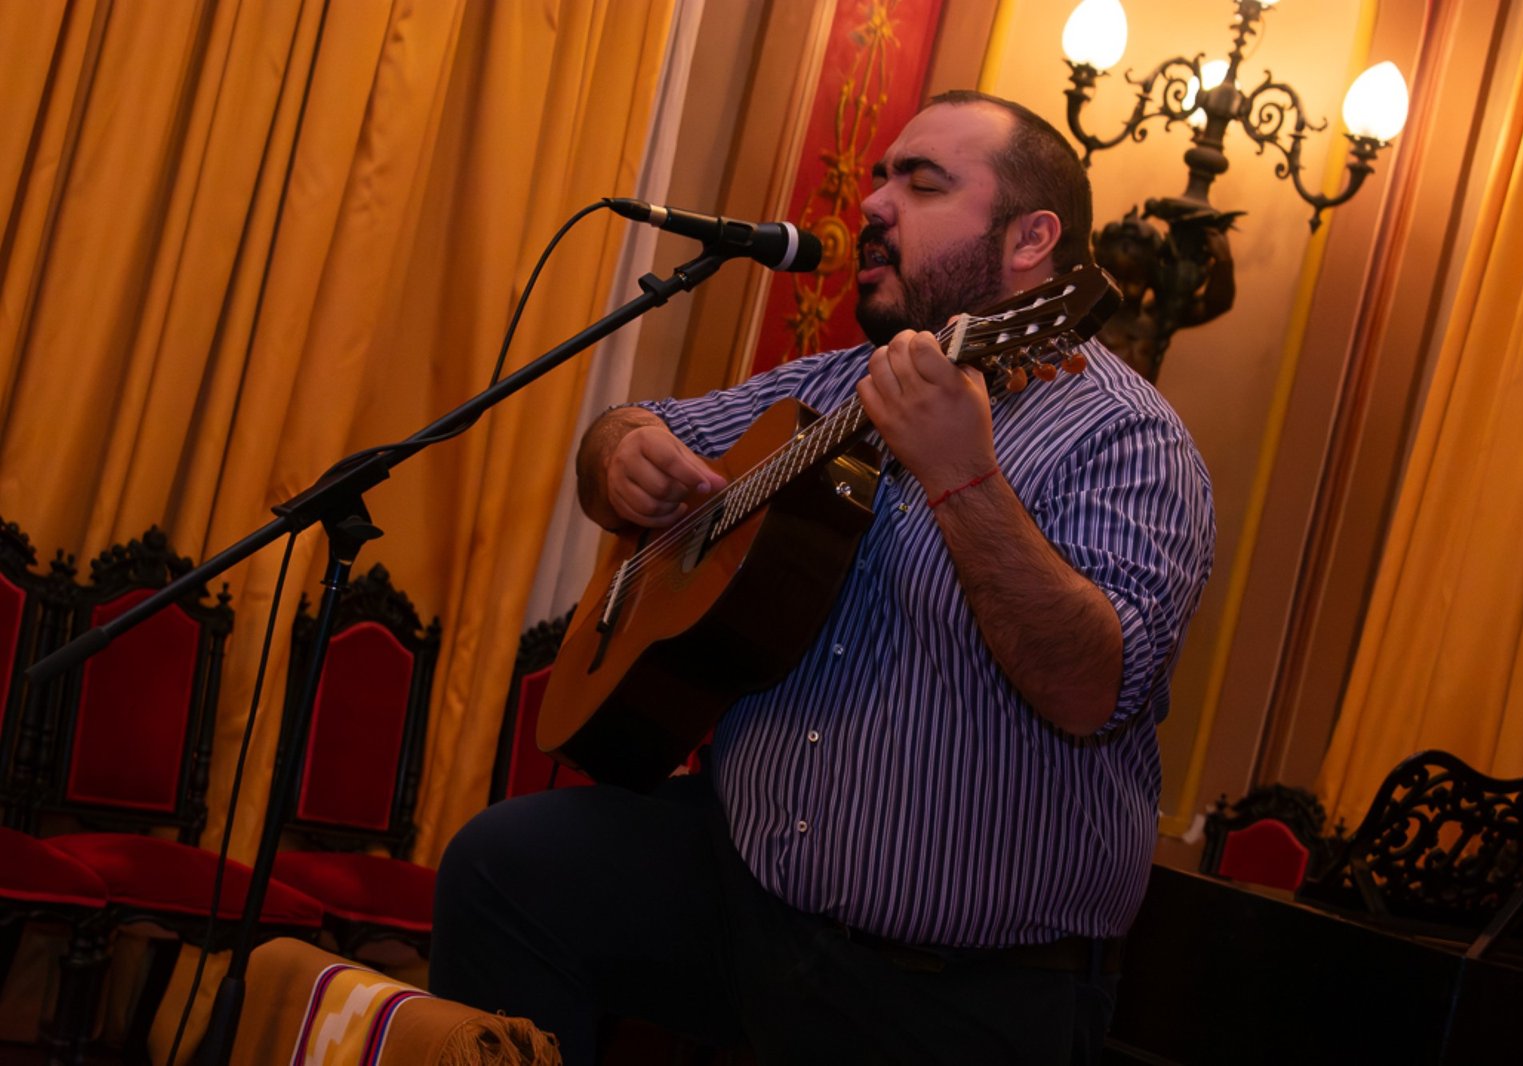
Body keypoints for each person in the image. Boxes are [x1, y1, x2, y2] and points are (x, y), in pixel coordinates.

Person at [431, 90, 1215, 1065]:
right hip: (743, 893)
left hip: (958, 986)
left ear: (1031, 240)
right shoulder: (830, 384)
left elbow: (1090, 687)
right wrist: (619, 454)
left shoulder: (1128, 439)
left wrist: (961, 475)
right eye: (878, 176)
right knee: (503, 871)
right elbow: (636, 430)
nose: (873, 204)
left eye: (920, 183)